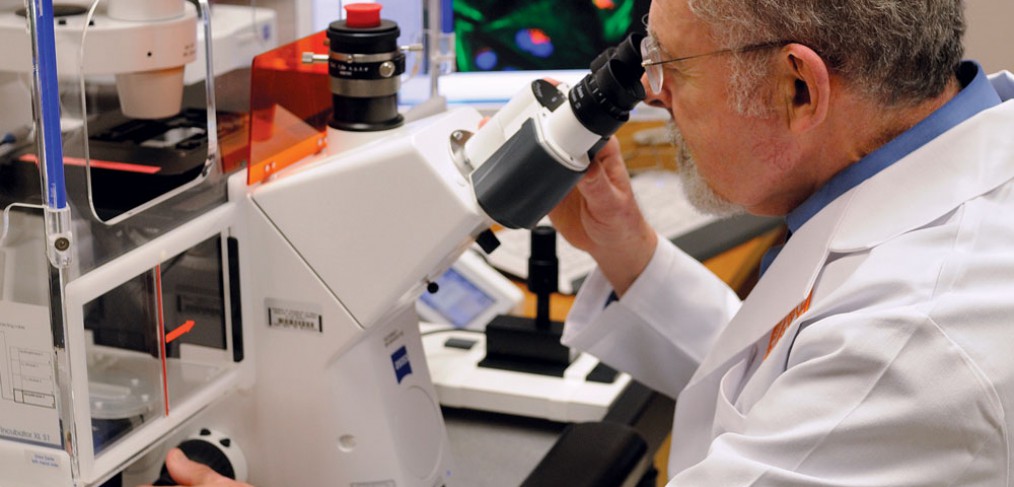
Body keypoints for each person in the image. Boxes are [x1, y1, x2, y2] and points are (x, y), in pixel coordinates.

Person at [148, 0, 1014, 485]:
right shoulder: (924, 181)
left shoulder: (911, 339)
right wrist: (627, 247)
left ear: (798, 88)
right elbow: (782, 373)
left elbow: (841, 380)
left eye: (672, 67)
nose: (651, 98)